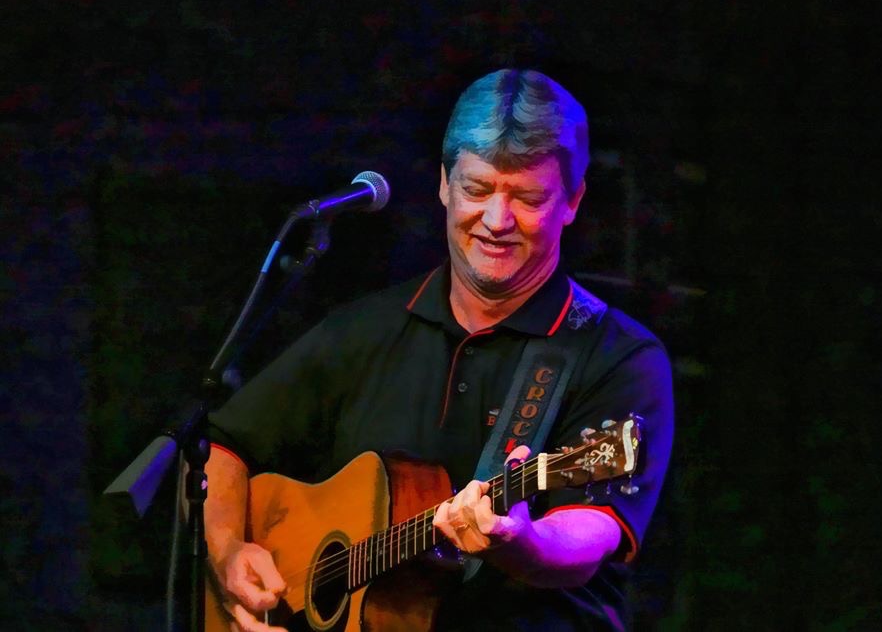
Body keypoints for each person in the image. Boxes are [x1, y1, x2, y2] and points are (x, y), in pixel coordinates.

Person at [204, 68, 673, 631]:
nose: (497, 221)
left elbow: (587, 536)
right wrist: (229, 550)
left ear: (572, 201)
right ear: (444, 184)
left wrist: (519, 541)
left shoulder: (618, 355)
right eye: (477, 190)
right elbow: (223, 444)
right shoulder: (365, 327)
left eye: (526, 197)